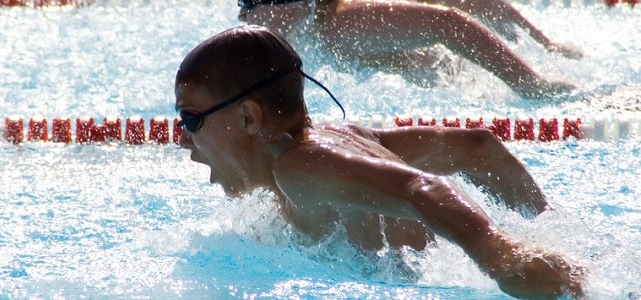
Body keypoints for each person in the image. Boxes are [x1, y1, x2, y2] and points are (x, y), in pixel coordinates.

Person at [174, 25, 584, 298]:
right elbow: (477, 147)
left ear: (248, 117)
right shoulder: (338, 140)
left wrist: (499, 254)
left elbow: (421, 187)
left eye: (190, 119)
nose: (182, 141)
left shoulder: (299, 168)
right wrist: (545, 224)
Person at [235, 0, 582, 99]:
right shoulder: (335, 24)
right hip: (315, 21)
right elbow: (450, 21)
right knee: (446, 23)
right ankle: (531, 78)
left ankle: (540, 52)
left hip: (306, 26)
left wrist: (544, 44)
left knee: (420, 63)